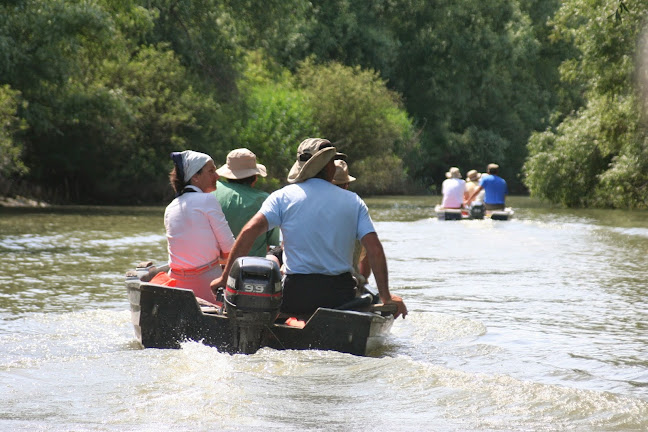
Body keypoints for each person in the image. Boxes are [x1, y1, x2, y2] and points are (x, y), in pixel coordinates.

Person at [210, 138, 407, 319]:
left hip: (296, 295)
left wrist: (224, 279)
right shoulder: (354, 201)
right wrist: (386, 297)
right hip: (340, 296)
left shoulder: (282, 196)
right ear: (328, 166)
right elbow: (374, 249)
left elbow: (248, 232)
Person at [164, 150, 235, 303]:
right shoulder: (207, 200)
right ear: (195, 177)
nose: (217, 176)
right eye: (211, 171)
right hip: (207, 283)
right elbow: (230, 249)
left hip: (175, 283)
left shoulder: (170, 207)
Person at [213, 148, 280, 257]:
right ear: (255, 178)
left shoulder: (212, 191)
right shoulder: (266, 200)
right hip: (251, 268)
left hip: (214, 265)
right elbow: (270, 244)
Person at [332, 159, 371, 285]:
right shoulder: (356, 206)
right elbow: (368, 259)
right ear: (346, 185)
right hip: (349, 283)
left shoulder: (314, 208)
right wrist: (363, 279)